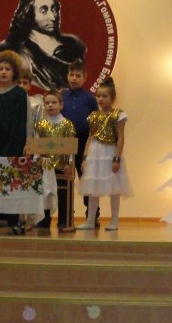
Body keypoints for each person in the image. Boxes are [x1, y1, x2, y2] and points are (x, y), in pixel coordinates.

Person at [0, 0, 86, 92]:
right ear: (29, 14)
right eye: (44, 11)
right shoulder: (11, 50)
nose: (53, 17)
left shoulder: (74, 44)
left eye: (54, 10)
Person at [0, 50, 33, 234]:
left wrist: (28, 142)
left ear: (15, 72)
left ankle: (14, 219)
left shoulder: (20, 94)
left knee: (13, 180)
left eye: (8, 69)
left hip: (15, 142)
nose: (3, 72)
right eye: (0, 69)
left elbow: (28, 120)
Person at [78, 78, 131, 231]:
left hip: (109, 153)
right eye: (98, 96)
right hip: (95, 153)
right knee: (93, 188)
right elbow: (90, 138)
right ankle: (90, 220)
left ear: (112, 98)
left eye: (104, 96)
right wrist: (85, 158)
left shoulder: (118, 115)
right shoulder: (93, 116)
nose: (100, 99)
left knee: (114, 188)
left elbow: (120, 138)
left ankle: (114, 221)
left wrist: (117, 158)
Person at [60, 61, 99, 223]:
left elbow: (95, 122)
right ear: (67, 76)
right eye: (71, 75)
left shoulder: (89, 98)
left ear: (84, 78)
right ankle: (66, 215)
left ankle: (92, 215)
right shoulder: (61, 96)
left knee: (86, 177)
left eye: (78, 75)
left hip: (84, 140)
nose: (74, 78)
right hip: (65, 140)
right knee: (65, 178)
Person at [33, 91, 76, 230]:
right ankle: (44, 220)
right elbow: (37, 144)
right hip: (45, 165)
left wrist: (70, 164)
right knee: (45, 192)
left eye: (54, 102)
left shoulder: (67, 124)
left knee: (64, 194)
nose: (50, 105)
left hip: (62, 165)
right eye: (47, 103)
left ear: (61, 105)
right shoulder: (40, 124)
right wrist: (36, 161)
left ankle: (64, 221)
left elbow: (71, 146)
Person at [18, 68, 44, 136]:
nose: (21, 86)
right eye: (18, 83)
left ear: (30, 86)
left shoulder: (37, 105)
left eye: (25, 83)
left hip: (31, 140)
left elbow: (40, 129)